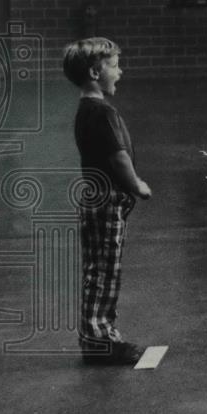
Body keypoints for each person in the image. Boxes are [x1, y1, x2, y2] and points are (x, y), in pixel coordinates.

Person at [62, 38, 151, 365]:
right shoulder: (102, 112)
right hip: (108, 201)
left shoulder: (86, 110)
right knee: (105, 271)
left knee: (97, 269)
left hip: (95, 199)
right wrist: (138, 186)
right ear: (95, 72)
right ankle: (100, 340)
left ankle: (99, 336)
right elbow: (119, 158)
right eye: (114, 65)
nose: (120, 71)